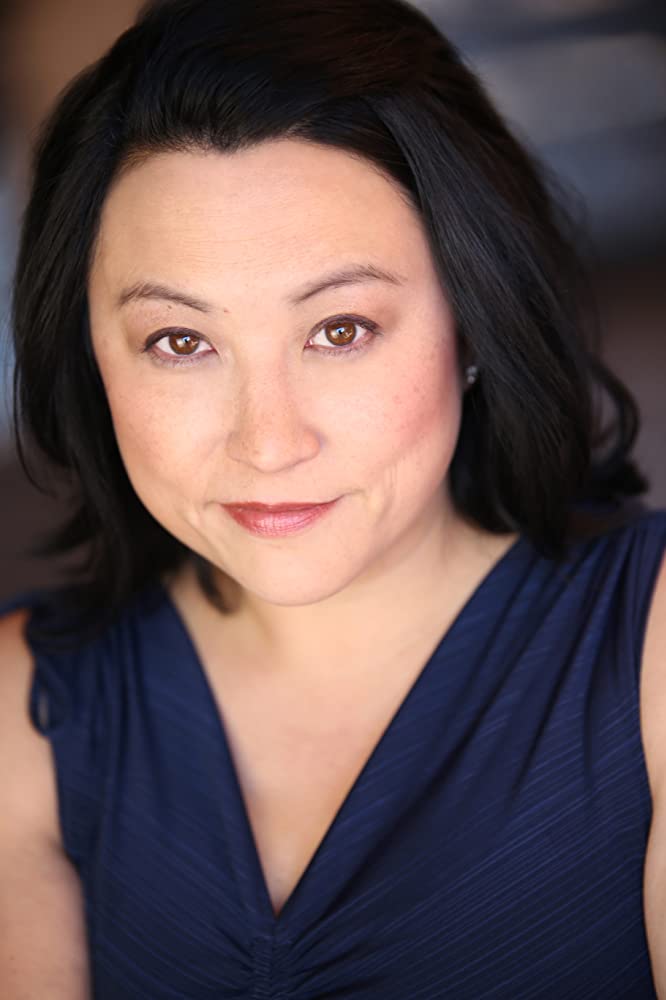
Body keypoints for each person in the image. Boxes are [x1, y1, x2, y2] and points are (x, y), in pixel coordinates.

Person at [1, 0, 665, 995]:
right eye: (180, 341)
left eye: (341, 330)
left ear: (472, 322)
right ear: (90, 358)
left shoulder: (649, 653)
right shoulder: (25, 717)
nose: (270, 442)